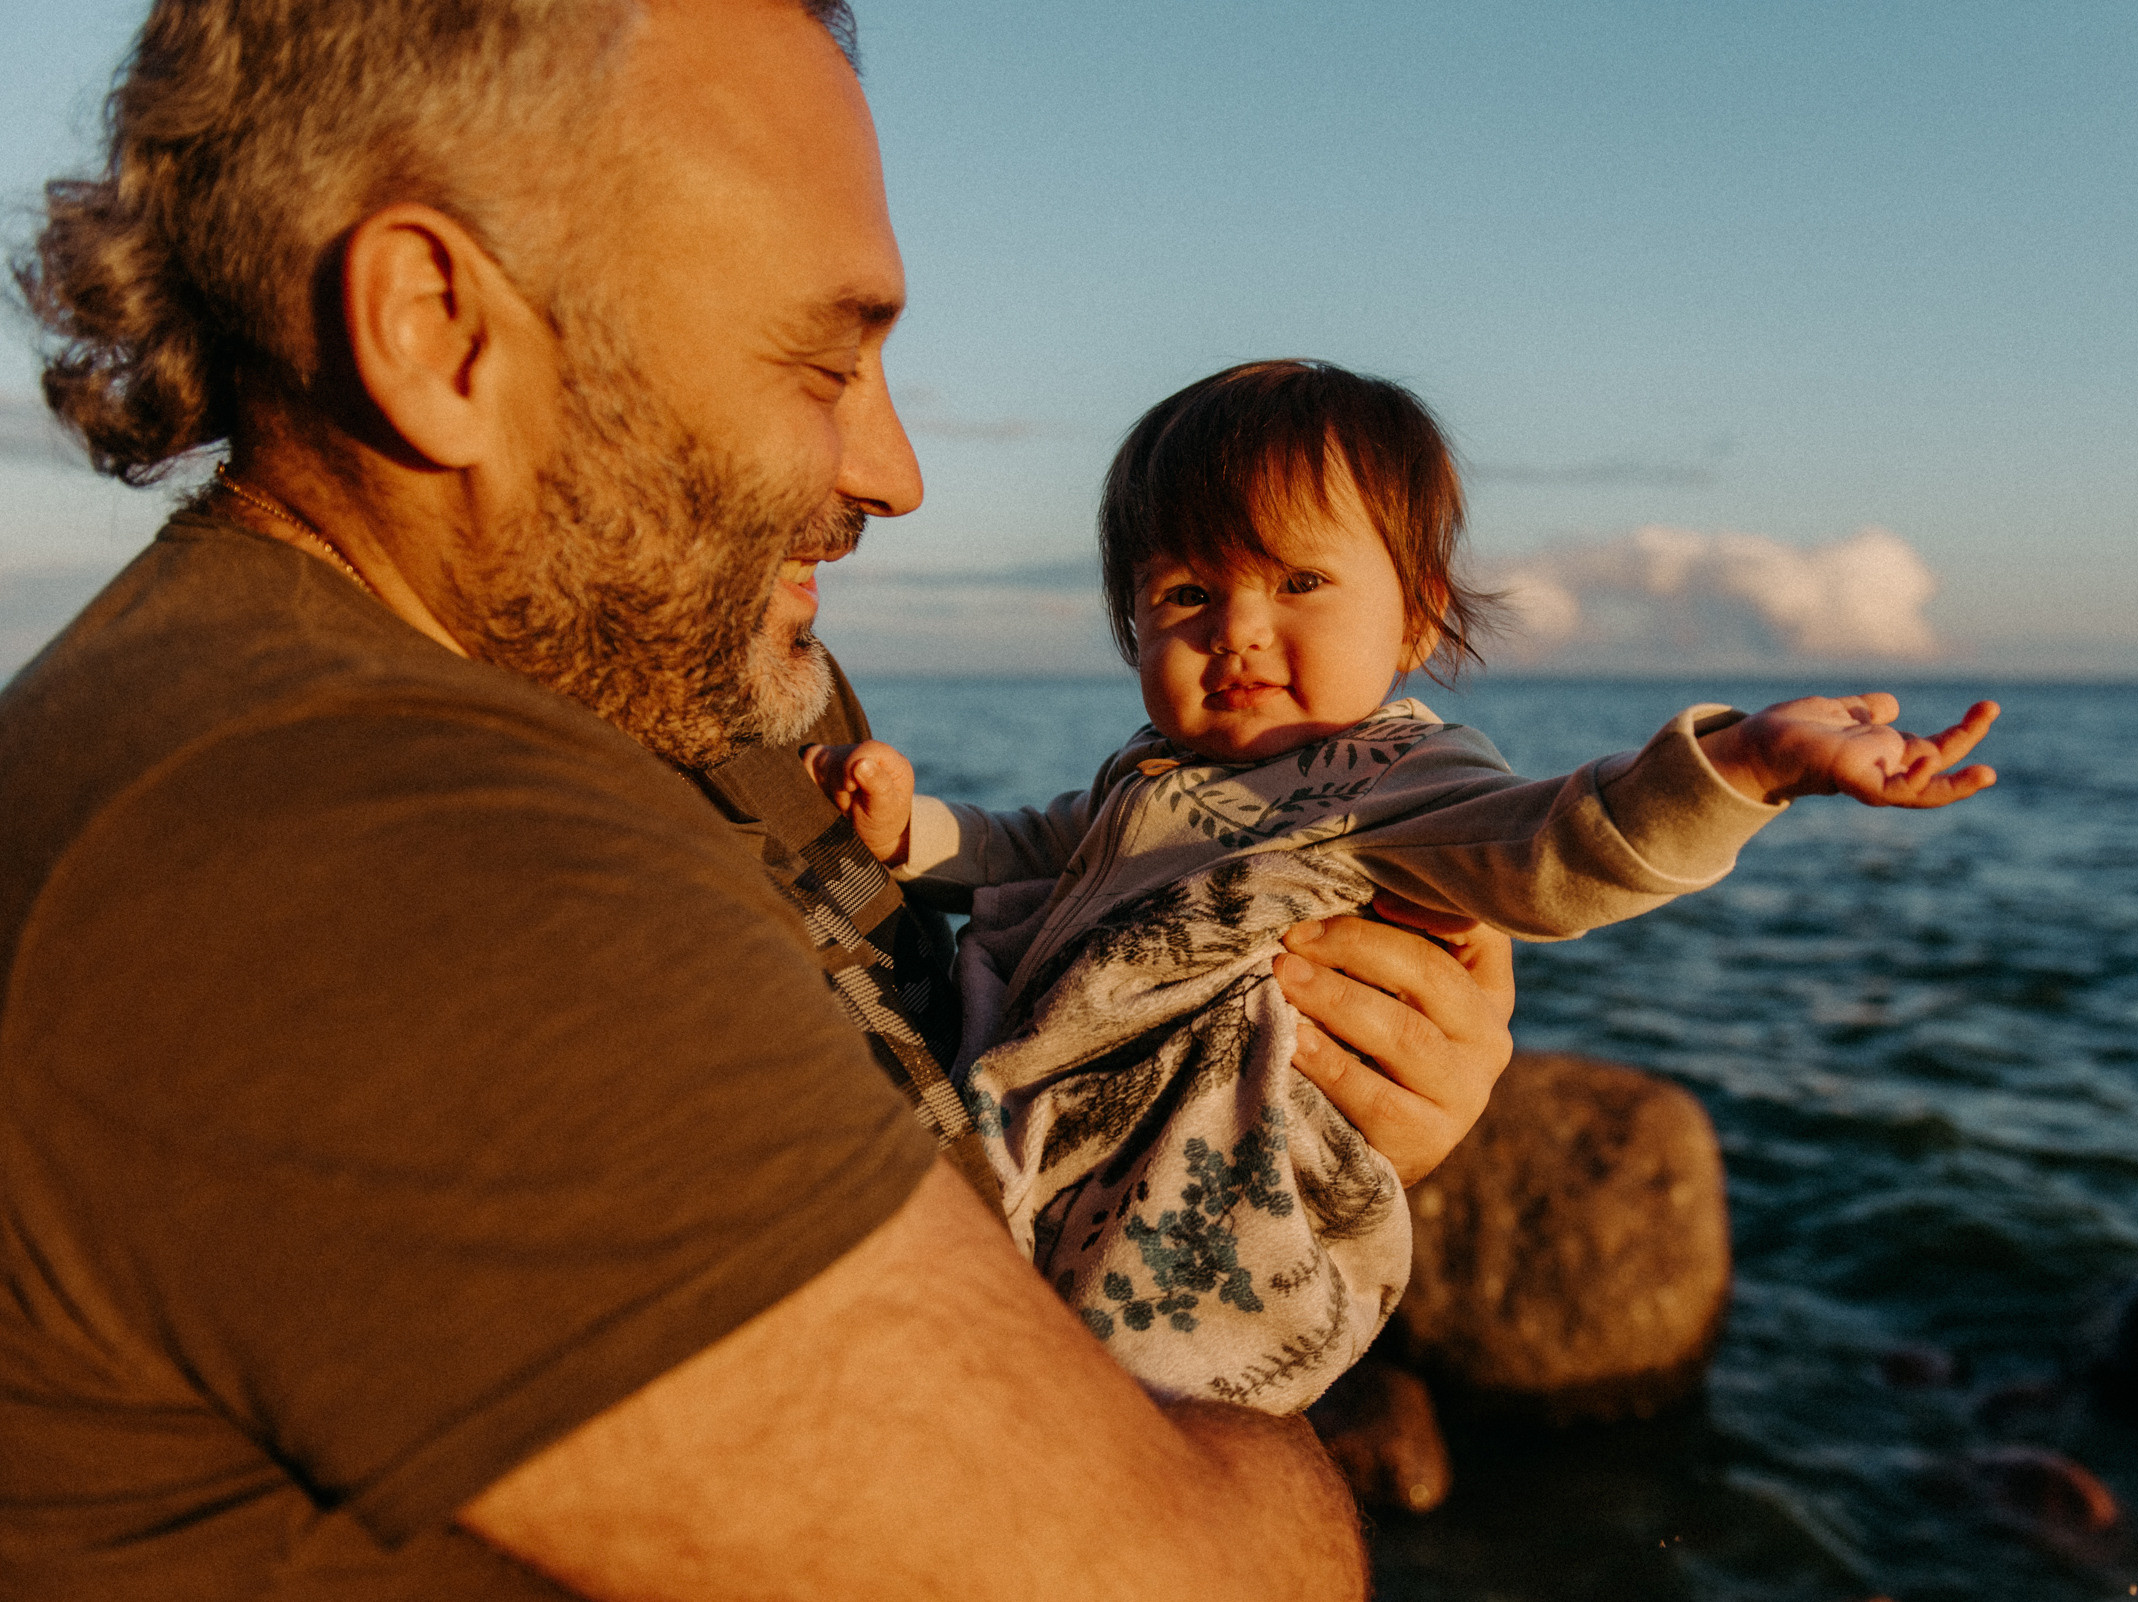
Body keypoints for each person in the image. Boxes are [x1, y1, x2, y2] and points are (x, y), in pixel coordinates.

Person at [0, 4, 1520, 1598]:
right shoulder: (365, 873)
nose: (893, 468)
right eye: (822, 360)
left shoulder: (689, 708)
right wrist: (1253, 1451)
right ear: (438, 331)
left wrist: (1292, 1107)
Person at [806, 359, 2001, 1414]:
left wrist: (1748, 763)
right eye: (1188, 595)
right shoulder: (1148, 773)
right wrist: (913, 831)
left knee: (1118, 1392)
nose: (1238, 631)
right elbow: (1031, 847)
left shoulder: (1396, 778)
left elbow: (1565, 843)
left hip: (1206, 1178)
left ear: (1418, 613)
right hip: (1036, 1126)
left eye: (1298, 585)